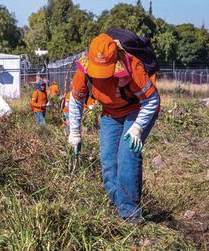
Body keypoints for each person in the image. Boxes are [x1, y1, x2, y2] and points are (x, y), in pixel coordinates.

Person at [68, 33, 160, 223]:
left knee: (127, 156)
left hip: (138, 110)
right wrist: (75, 132)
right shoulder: (84, 70)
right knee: (109, 162)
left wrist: (138, 128)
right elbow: (76, 100)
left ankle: (130, 214)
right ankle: (117, 207)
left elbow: (152, 100)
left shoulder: (132, 66)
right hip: (111, 113)